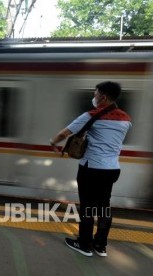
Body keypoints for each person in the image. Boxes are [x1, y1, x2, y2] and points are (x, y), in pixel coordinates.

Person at [50, 81, 131, 257]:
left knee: (87, 206)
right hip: (112, 169)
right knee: (103, 207)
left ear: (103, 96)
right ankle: (100, 245)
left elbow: (65, 133)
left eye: (95, 94)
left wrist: (53, 143)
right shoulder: (126, 119)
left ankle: (84, 244)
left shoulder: (91, 115)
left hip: (91, 168)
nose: (93, 97)